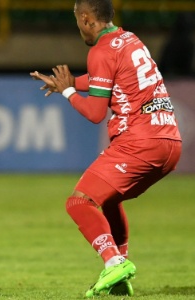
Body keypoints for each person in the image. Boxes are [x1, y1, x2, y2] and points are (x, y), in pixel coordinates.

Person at [30, 0, 182, 297]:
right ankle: (119, 275)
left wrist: (68, 92)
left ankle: (113, 263)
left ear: (86, 19)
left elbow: (96, 113)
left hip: (140, 141)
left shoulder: (99, 50)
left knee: (79, 202)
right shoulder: (129, 39)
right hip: (169, 142)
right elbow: (109, 78)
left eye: (77, 21)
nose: (78, 28)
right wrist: (72, 81)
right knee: (109, 201)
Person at [158, 12, 194, 78]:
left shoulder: (188, 42)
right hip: (169, 75)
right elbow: (166, 65)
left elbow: (186, 66)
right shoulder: (174, 42)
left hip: (180, 75)